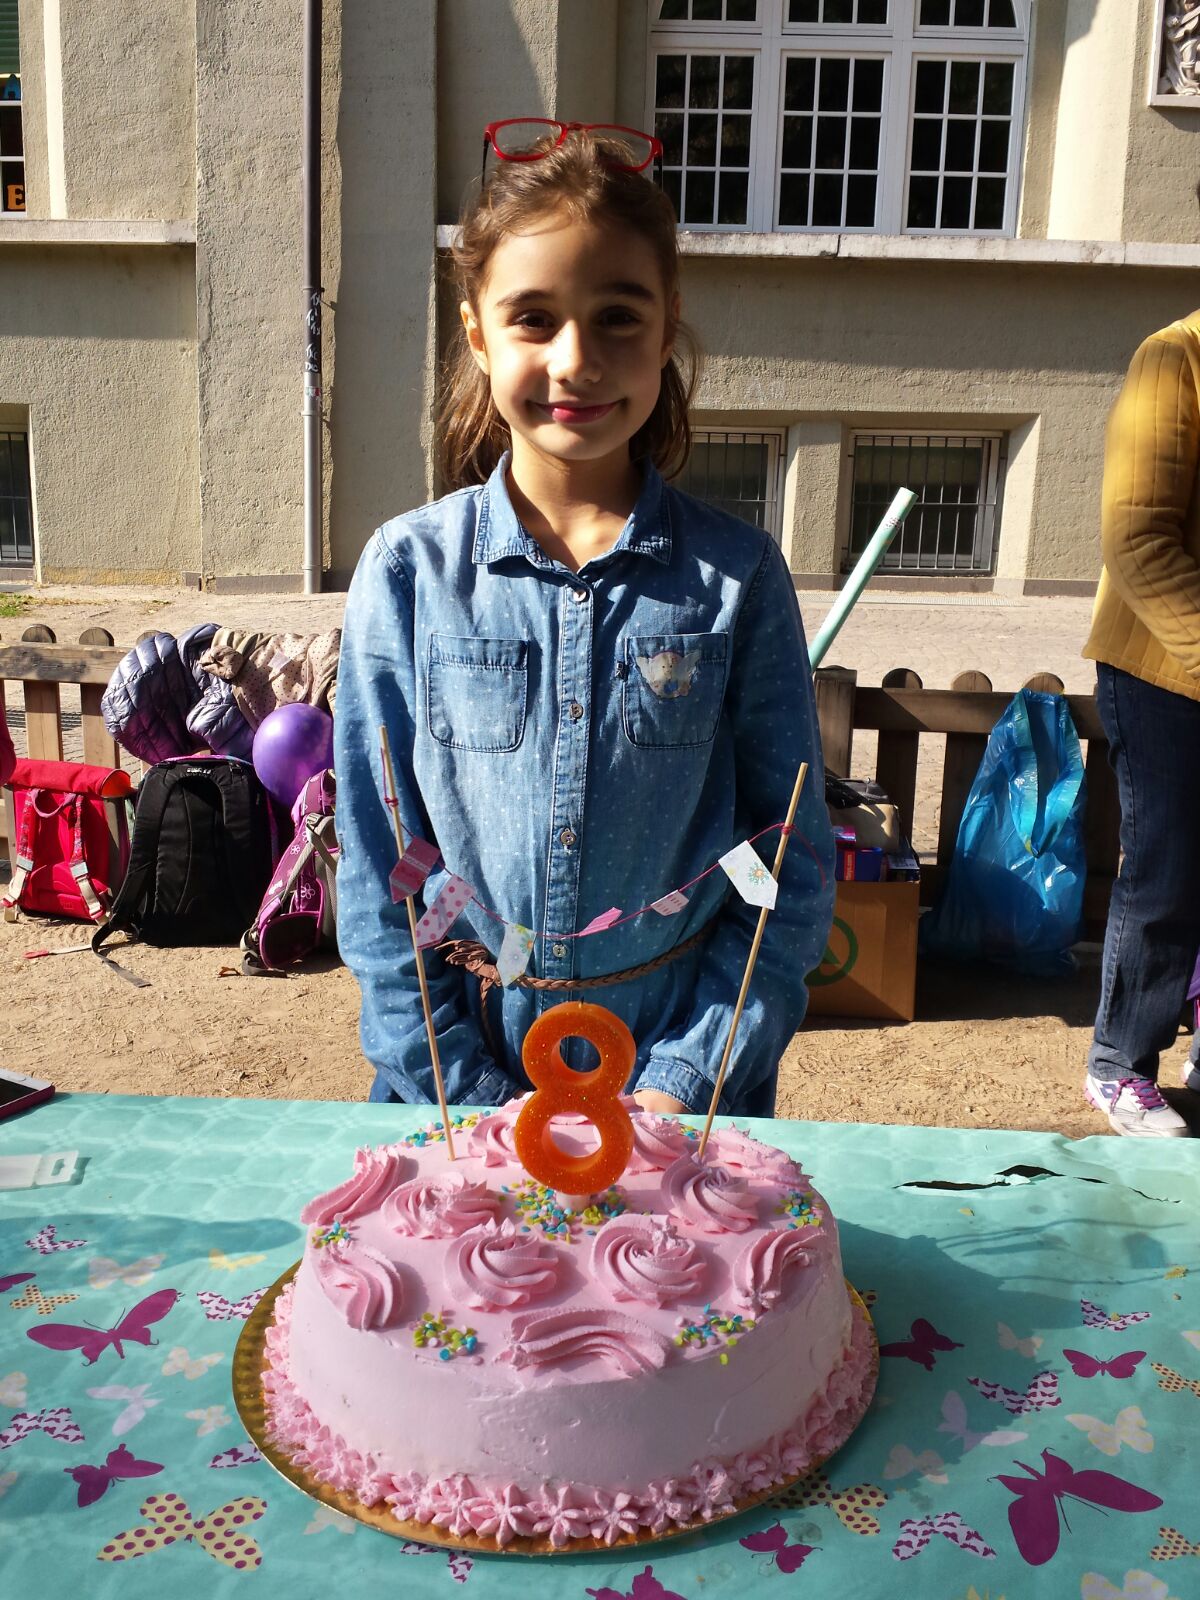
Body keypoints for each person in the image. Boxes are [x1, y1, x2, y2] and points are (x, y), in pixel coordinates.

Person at [333, 122, 833, 1119]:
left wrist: (682, 1080)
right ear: (476, 330)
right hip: (457, 1096)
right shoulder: (407, 573)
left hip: (681, 1105)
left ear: (667, 326)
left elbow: (785, 859)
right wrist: (470, 1097)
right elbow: (383, 861)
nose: (576, 360)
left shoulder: (735, 578)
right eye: (533, 318)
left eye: (617, 317)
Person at [1082, 308, 1200, 1137]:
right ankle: (1120, 1065)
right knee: (1168, 872)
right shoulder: (1175, 360)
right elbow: (1138, 541)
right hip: (1161, 668)